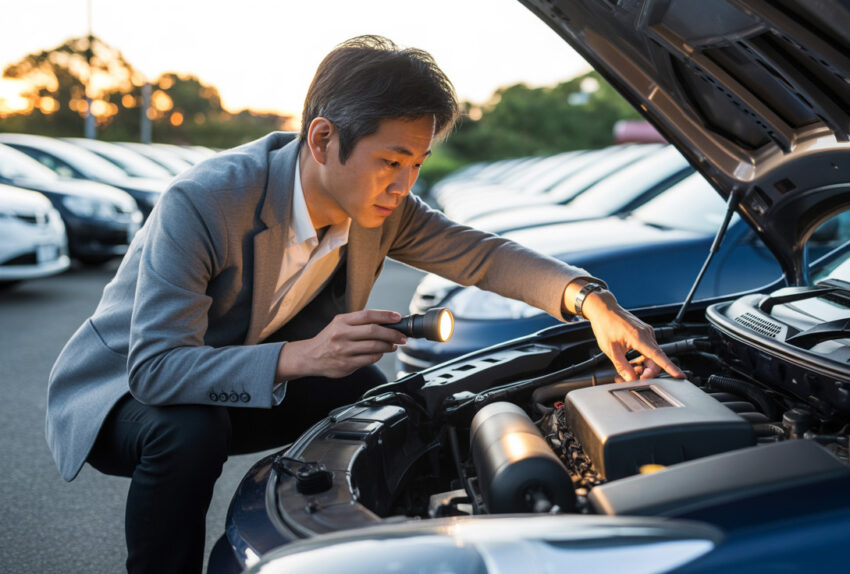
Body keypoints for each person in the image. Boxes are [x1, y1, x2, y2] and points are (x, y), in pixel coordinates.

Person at [45, 35, 684, 573]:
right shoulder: (206, 201)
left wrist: (591, 301)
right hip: (124, 391)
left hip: (238, 376)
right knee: (189, 430)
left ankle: (336, 546)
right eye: (392, 161)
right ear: (323, 139)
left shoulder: (382, 207)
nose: (404, 185)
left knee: (374, 397)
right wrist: (303, 356)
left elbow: (484, 256)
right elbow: (156, 368)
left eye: (418, 164)